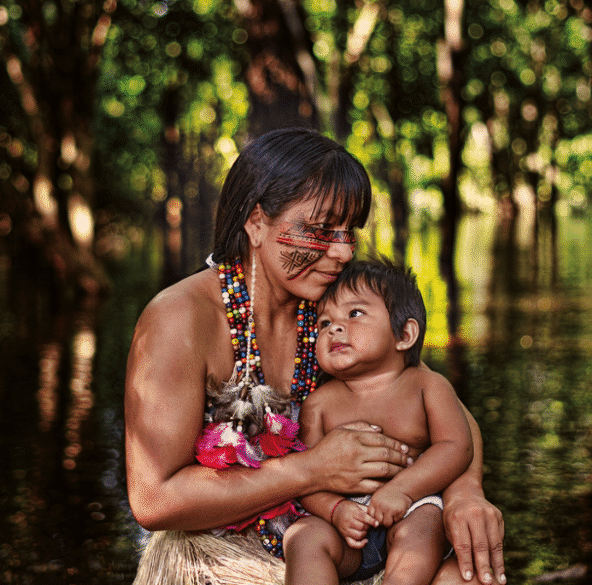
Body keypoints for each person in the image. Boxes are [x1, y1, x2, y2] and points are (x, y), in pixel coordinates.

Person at [125, 126, 506, 585]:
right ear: (257, 221)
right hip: (220, 557)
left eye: (349, 232)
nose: (344, 251)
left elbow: (446, 411)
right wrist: (311, 469)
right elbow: (153, 500)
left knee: (469, 577)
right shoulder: (180, 319)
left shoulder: (330, 305)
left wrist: (466, 494)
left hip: (347, 541)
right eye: (321, 230)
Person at [285, 259, 473, 585]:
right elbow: (306, 479)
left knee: (427, 524)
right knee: (303, 536)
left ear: (404, 334)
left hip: (412, 502)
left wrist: (402, 489)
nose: (335, 328)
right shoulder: (319, 404)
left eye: (354, 314)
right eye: (324, 322)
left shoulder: (428, 387)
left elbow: (456, 448)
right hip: (346, 525)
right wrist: (334, 510)